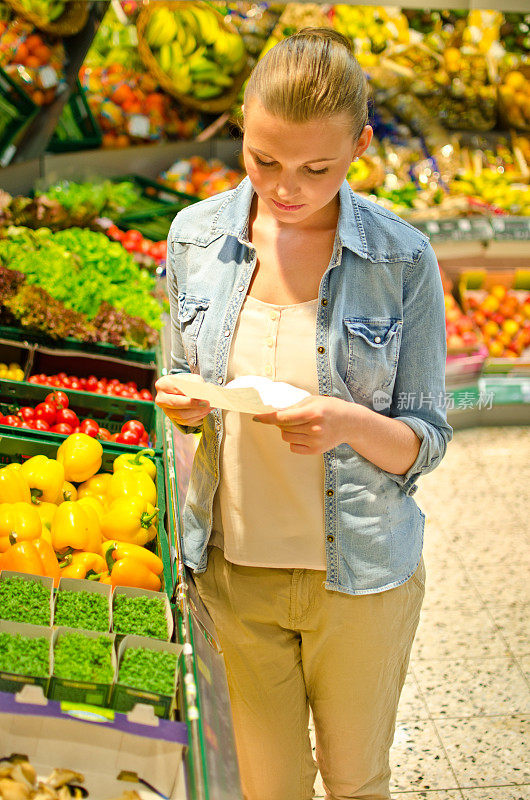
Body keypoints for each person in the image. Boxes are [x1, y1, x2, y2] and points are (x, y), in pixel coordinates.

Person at [155, 28, 452, 800]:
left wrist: (345, 421)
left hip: (359, 579)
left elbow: (426, 440)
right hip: (235, 571)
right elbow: (185, 389)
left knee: (355, 781)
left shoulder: (401, 260)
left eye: (317, 168)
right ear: (243, 124)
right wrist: (186, 410)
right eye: (263, 160)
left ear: (359, 144)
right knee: (268, 786)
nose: (286, 186)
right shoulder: (195, 238)